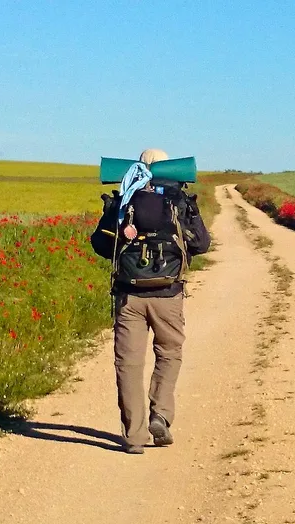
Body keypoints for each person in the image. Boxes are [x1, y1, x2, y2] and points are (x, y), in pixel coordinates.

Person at [91, 148, 209, 454]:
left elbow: (101, 245)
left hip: (129, 296)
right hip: (168, 295)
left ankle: (134, 436)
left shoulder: (124, 198)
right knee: (169, 354)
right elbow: (201, 243)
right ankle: (161, 415)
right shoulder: (178, 200)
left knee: (128, 364)